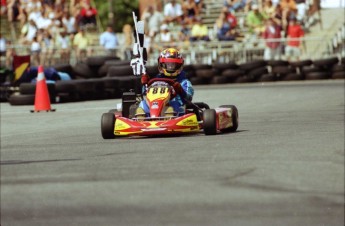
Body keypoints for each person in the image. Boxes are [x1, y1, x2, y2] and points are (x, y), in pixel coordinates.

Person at [136, 48, 194, 117]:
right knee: (143, 103)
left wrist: (180, 90)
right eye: (168, 65)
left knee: (174, 102)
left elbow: (188, 98)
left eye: (173, 65)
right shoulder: (156, 80)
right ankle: (141, 116)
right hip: (155, 104)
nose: (170, 67)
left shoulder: (184, 82)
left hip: (177, 109)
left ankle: (169, 115)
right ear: (161, 65)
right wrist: (145, 83)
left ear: (179, 66)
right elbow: (146, 93)